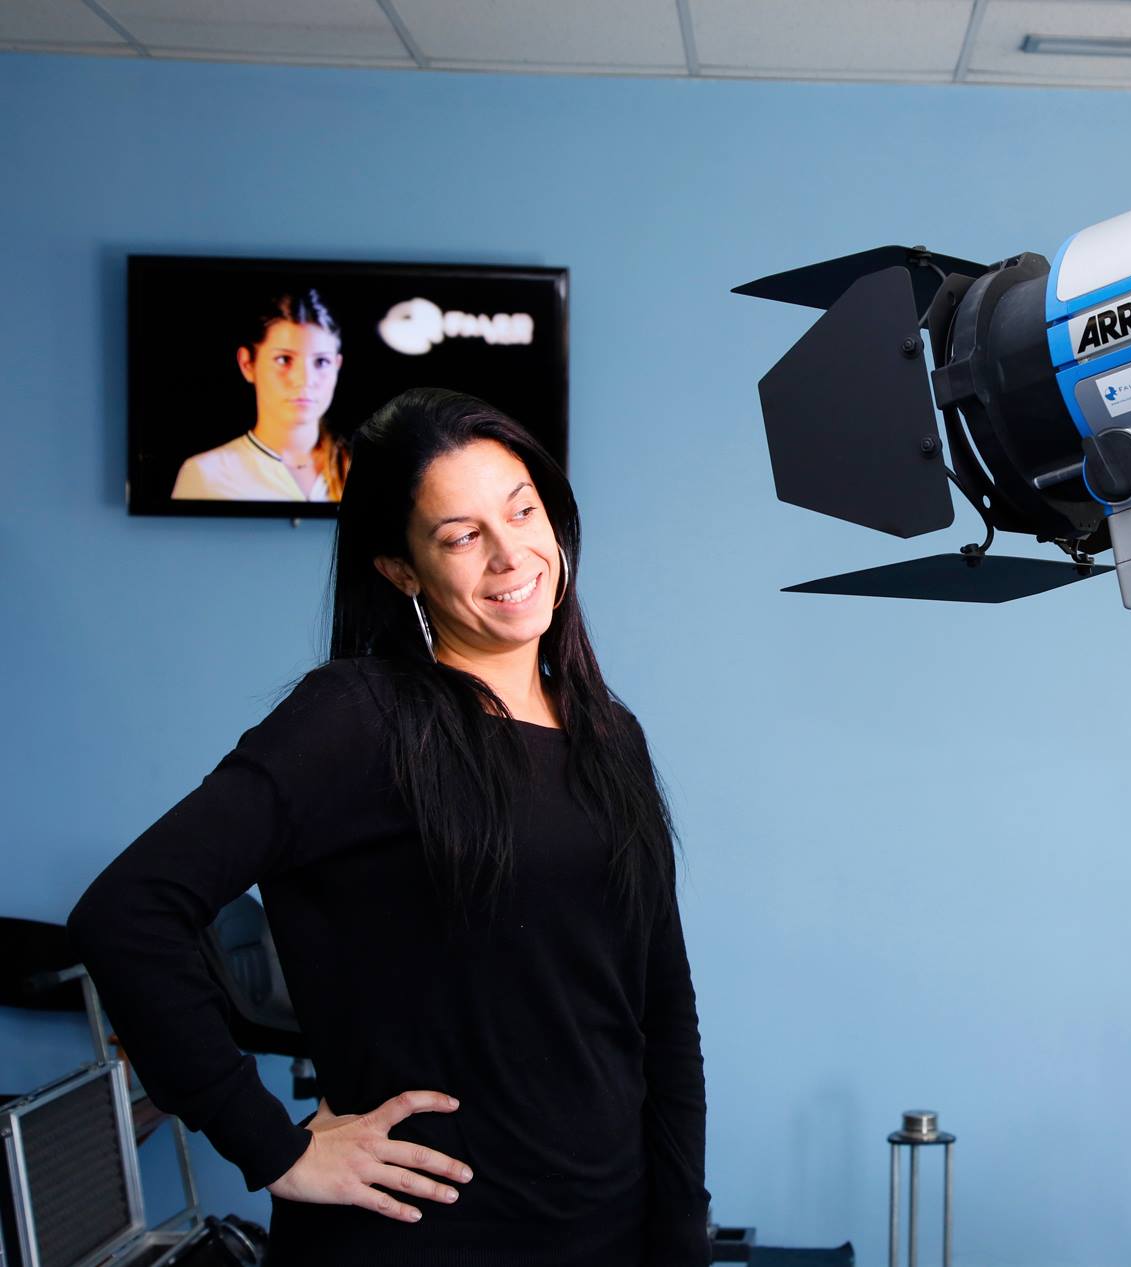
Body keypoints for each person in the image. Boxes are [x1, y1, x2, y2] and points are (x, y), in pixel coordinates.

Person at [73, 388, 709, 1265]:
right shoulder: (358, 718)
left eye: (521, 510)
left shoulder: (610, 733)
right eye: (460, 536)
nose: (510, 553)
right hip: (418, 1242)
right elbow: (126, 912)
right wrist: (272, 1145)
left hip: (609, 1231)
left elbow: (662, 1009)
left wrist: (680, 1232)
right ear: (401, 569)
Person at [172, 288, 349, 502]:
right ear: (247, 364)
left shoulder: (374, 472)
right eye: (284, 359)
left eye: (321, 362)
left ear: (337, 366)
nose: (304, 379)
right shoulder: (206, 476)